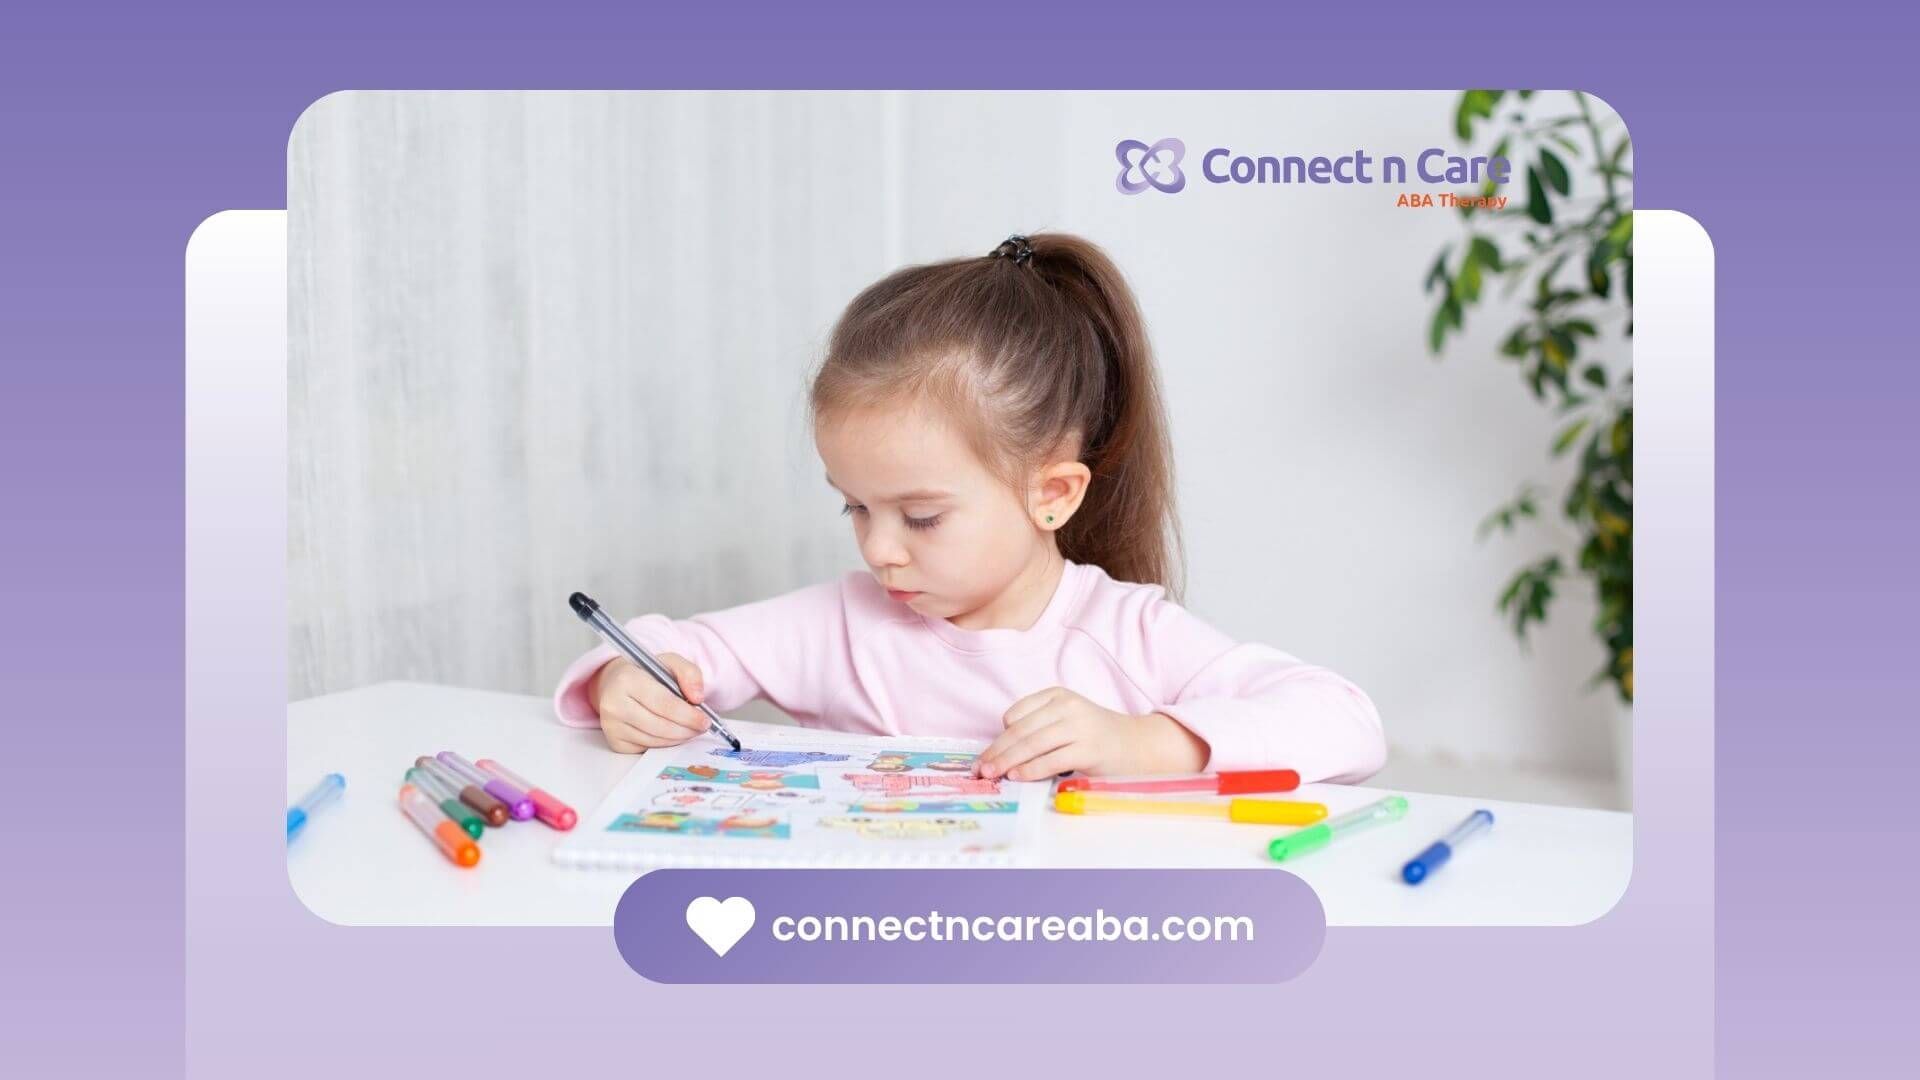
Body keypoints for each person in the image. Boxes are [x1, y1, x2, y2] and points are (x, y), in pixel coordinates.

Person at [554, 233, 1384, 784]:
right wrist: (628, 679)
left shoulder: (1124, 635)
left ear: (1051, 495)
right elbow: (683, 649)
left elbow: (1345, 722)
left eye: (920, 518)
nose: (880, 550)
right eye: (855, 508)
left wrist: (1144, 742)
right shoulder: (845, 624)